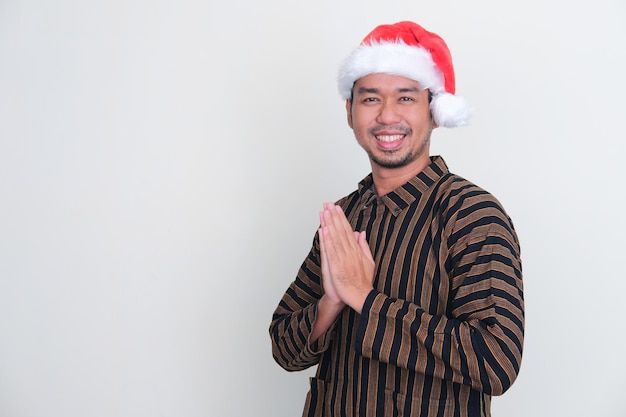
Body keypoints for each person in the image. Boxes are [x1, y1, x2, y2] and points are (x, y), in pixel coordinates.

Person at [269, 21, 524, 417]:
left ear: (434, 112)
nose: (387, 116)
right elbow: (283, 347)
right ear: (350, 112)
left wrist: (364, 299)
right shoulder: (343, 216)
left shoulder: (472, 213)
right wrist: (332, 302)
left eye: (405, 98)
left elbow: (496, 360)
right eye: (370, 99)